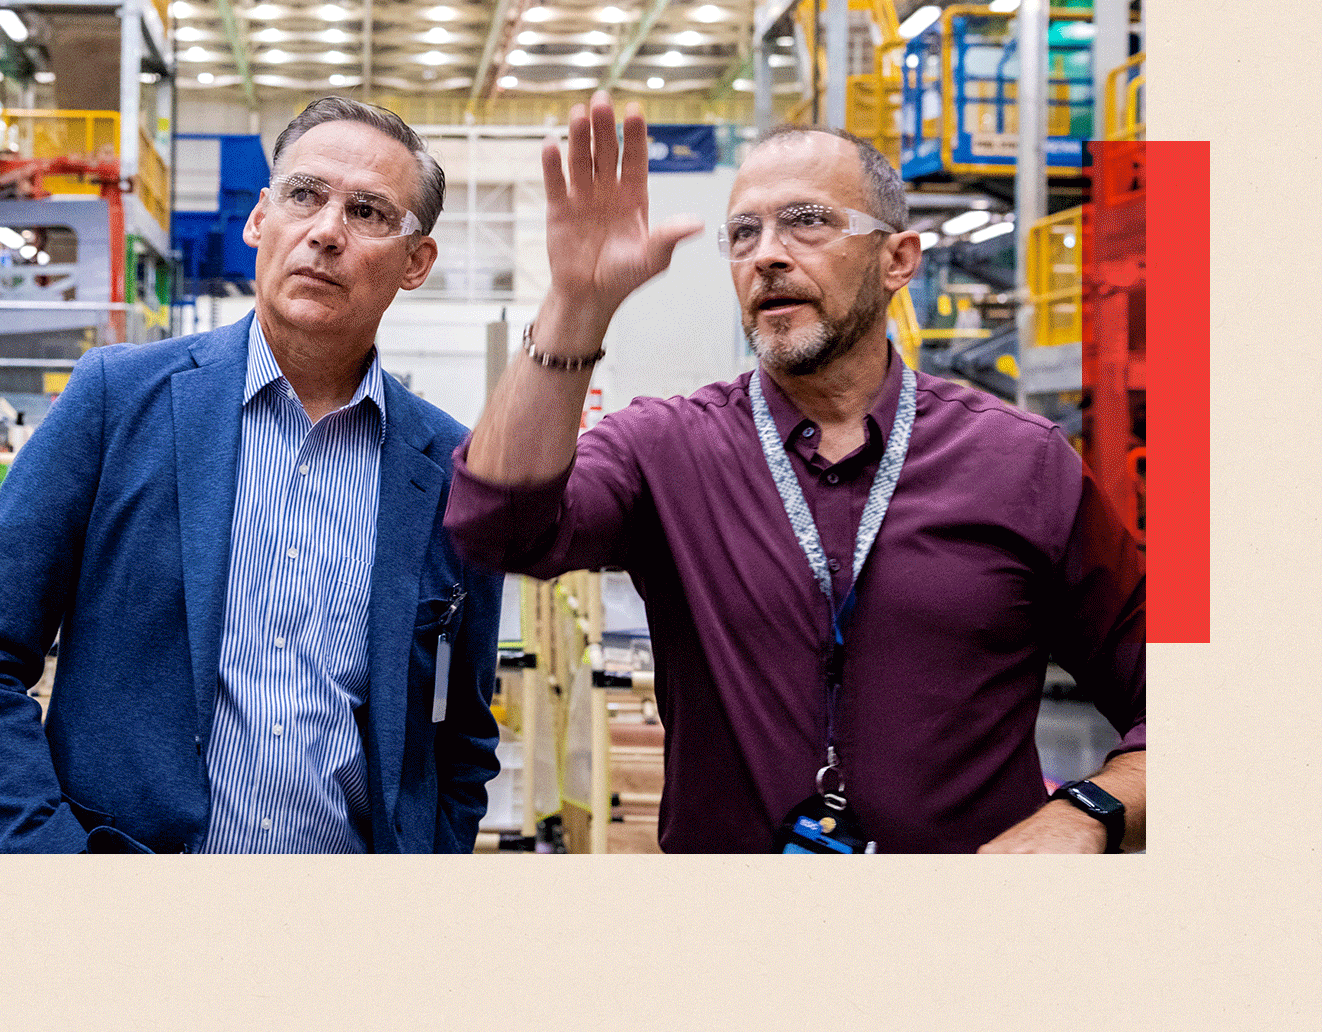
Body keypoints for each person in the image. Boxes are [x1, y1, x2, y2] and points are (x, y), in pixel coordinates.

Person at [445, 90, 1145, 854]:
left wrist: (1085, 813)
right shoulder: (669, 449)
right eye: (743, 233)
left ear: (897, 260)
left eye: (807, 221)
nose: (767, 253)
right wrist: (576, 304)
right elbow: (495, 528)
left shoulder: (1022, 464)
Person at [0, 97, 504, 853]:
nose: (325, 231)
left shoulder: (450, 474)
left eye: (366, 212)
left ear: (416, 262)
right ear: (260, 219)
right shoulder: (116, 403)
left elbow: (457, 736)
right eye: (304, 195)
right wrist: (47, 861)